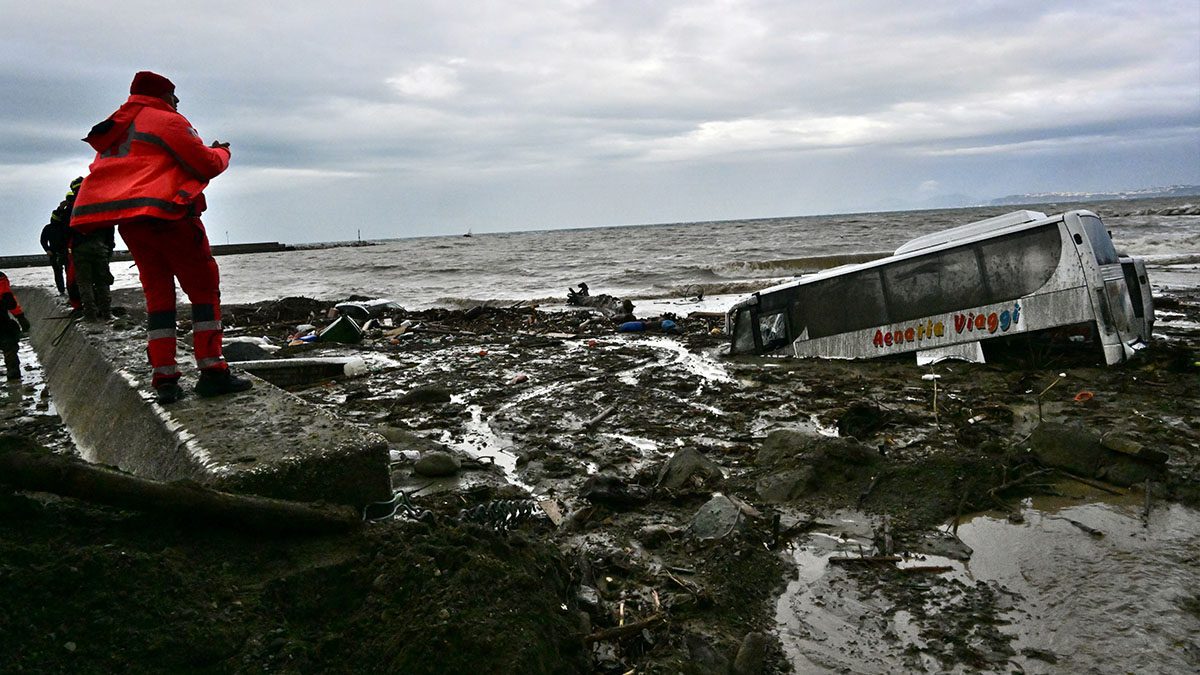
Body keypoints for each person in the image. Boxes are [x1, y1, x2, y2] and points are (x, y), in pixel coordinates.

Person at [70, 71, 251, 404]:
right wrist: (223, 152)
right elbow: (206, 164)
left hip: (133, 223)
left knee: (158, 297)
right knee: (203, 290)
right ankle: (213, 372)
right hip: (171, 217)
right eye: (174, 96)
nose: (177, 102)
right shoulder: (166, 120)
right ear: (164, 96)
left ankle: (164, 379)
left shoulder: (118, 128)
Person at [1, 271, 32, 381]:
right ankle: (13, 373)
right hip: (2, 322)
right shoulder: (1, 279)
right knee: (9, 345)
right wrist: (20, 317)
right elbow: (9, 299)